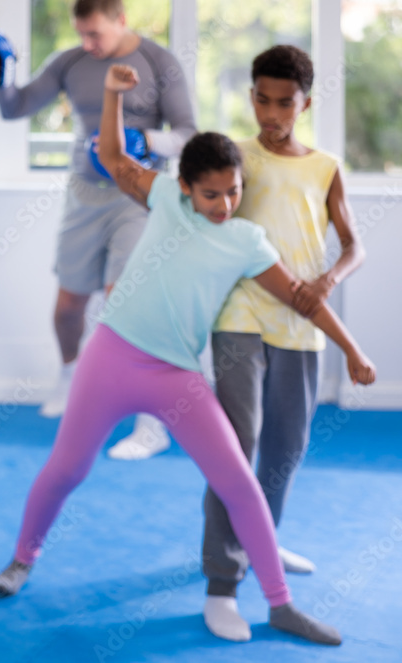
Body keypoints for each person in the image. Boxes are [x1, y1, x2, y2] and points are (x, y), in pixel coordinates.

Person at [0, 64, 376, 647]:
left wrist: (351, 348)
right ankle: (21, 559)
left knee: (241, 484)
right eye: (211, 194)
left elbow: (301, 298)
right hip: (112, 358)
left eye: (234, 191)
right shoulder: (167, 200)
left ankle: (279, 604)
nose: (225, 204)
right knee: (67, 469)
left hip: (176, 376)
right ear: (188, 188)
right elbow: (116, 159)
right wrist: (116, 96)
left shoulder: (247, 241)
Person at [202, 44, 366, 642]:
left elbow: (354, 245)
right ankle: (223, 582)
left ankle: (261, 544)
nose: (272, 114)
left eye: (285, 104)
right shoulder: (234, 156)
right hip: (239, 317)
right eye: (263, 101)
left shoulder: (325, 166)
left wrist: (330, 278)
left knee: (286, 450)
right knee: (235, 444)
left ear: (305, 103)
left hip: (302, 323)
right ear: (252, 98)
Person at [0, 0, 197, 460]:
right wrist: (2, 70)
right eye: (82, 34)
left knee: (125, 301)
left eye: (97, 34)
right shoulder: (70, 62)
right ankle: (67, 379)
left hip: (140, 194)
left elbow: (189, 133)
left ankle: (151, 421)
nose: (90, 44)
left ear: (121, 19)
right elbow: (14, 108)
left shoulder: (159, 62)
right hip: (85, 192)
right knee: (68, 305)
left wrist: (145, 140)